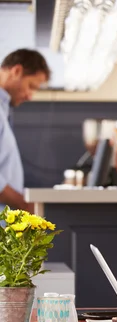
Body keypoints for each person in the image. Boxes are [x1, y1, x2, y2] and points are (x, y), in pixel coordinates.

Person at [0, 49, 50, 213]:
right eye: (31, 86)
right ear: (16, 71)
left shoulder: (4, 110)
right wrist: (24, 205)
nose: (30, 96)